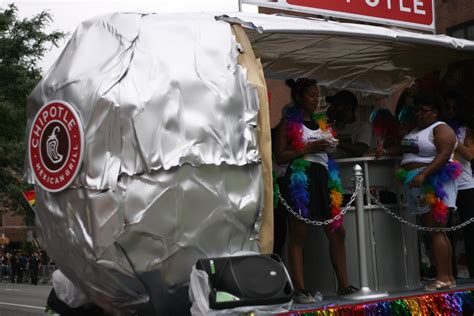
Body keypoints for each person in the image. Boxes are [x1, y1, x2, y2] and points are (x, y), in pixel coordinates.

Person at [275, 78, 356, 304]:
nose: (316, 99)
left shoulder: (323, 123)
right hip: (301, 178)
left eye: (317, 94)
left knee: (337, 232)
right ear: (300, 97)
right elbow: (280, 155)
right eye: (311, 94)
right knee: (299, 234)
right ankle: (300, 289)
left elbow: (329, 149)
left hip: (324, 178)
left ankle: (343, 285)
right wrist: (309, 148)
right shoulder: (288, 123)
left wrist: (330, 144)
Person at [379, 92, 460, 291]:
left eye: (423, 111)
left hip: (433, 181)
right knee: (433, 230)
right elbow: (405, 149)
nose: (419, 115)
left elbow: (444, 154)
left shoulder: (441, 128)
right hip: (416, 182)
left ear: (435, 112)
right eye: (417, 111)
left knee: (436, 230)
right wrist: (386, 151)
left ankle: (444, 276)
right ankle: (447, 276)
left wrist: (424, 174)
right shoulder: (416, 130)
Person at [442, 91, 474, 279]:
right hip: (444, 185)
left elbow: (471, 155)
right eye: (447, 107)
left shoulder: (466, 129)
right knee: (445, 232)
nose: (451, 111)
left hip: (466, 184)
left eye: (454, 108)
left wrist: (453, 140)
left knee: (470, 233)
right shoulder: (438, 129)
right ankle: (448, 275)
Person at [326, 90, 372, 158]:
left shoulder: (363, 127)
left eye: (336, 105)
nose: (332, 108)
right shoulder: (329, 128)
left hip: (353, 167)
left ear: (349, 107)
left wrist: (336, 141)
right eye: (332, 105)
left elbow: (360, 150)